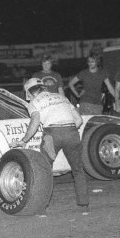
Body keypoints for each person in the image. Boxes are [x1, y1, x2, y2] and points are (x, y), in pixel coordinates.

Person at [14, 77, 89, 215]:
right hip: (72, 132)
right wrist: (68, 130)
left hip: (51, 135)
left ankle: (42, 207)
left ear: (29, 93)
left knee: (45, 170)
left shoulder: (34, 102)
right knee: (78, 169)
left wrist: (24, 140)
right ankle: (84, 205)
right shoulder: (61, 97)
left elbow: (35, 123)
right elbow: (79, 120)